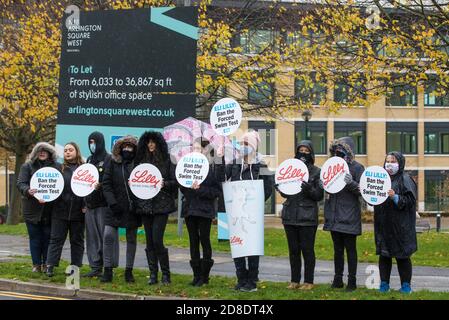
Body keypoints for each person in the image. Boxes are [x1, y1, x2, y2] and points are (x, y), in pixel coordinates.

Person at [225, 130, 274, 292]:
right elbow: (222, 179)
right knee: (237, 244)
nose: (243, 147)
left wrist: (256, 202)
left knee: (252, 246)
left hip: (253, 212)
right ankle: (241, 278)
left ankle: (252, 280)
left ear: (253, 147)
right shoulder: (234, 163)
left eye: (247, 144)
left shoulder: (263, 165)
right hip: (236, 212)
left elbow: (268, 188)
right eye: (242, 144)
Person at [278, 140, 323, 290]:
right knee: (293, 251)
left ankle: (309, 281)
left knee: (307, 250)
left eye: (306, 150)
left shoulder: (316, 171)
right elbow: (287, 194)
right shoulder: (291, 169)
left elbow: (319, 195)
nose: (303, 153)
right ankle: (294, 280)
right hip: (290, 215)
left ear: (311, 153)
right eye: (301, 150)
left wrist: (309, 189)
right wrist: (280, 188)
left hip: (307, 217)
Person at [134, 131, 177, 285]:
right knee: (149, 241)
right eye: (148, 142)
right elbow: (135, 182)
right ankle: (153, 274)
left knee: (157, 240)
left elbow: (175, 182)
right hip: (145, 206)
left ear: (159, 143)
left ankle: (166, 274)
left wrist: (165, 183)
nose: (151, 145)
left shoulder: (167, 160)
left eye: (153, 142)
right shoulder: (141, 161)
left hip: (161, 205)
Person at [323, 136, 364, 291]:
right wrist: (323, 184)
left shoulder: (357, 168)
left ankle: (352, 281)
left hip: (349, 216)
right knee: (337, 250)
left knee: (350, 250)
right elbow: (329, 189)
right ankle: (337, 279)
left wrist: (351, 183)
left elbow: (362, 190)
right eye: (335, 150)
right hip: (334, 215)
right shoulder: (330, 166)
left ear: (349, 151)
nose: (337, 153)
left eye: (341, 150)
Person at [180, 138, 221, 287]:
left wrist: (201, 189)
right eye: (194, 148)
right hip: (190, 209)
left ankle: (205, 276)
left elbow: (217, 191)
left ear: (206, 149)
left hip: (204, 210)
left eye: (199, 148)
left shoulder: (212, 169)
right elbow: (182, 186)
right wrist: (187, 186)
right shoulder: (188, 165)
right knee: (193, 241)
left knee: (204, 240)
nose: (196, 150)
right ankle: (196, 275)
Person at [374, 152, 417, 294]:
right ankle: (384, 285)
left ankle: (406, 286)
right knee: (384, 256)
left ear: (400, 163)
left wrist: (396, 197)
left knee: (402, 257)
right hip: (384, 225)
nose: (389, 163)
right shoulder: (380, 179)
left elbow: (410, 201)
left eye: (393, 161)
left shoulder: (406, 179)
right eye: (387, 160)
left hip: (401, 227)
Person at [102, 136, 141, 283]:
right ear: (119, 148)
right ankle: (107, 270)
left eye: (130, 147)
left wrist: (138, 203)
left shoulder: (138, 164)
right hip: (114, 207)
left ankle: (128, 271)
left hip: (132, 208)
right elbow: (106, 184)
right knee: (108, 236)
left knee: (131, 239)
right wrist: (112, 203)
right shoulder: (112, 162)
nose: (127, 150)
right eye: (124, 147)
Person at [17, 142, 61, 273]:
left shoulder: (57, 167)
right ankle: (36, 264)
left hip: (50, 209)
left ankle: (48, 263)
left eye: (45, 151)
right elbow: (21, 183)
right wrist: (28, 190)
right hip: (32, 209)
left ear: (50, 153)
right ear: (35, 153)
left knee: (48, 237)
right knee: (35, 238)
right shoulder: (27, 166)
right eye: (39, 150)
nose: (42, 152)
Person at [46, 142, 85, 277]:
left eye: (71, 150)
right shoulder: (58, 168)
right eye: (66, 150)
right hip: (60, 210)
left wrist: (85, 205)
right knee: (56, 239)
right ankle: (50, 265)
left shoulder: (84, 169)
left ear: (77, 152)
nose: (68, 152)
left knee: (77, 241)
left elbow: (87, 190)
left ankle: (75, 267)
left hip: (78, 212)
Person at [83, 132, 112, 278]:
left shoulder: (108, 159)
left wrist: (100, 185)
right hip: (90, 205)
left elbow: (109, 181)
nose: (92, 145)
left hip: (103, 205)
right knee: (92, 238)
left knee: (104, 238)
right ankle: (95, 266)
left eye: (94, 142)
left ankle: (107, 267)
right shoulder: (88, 160)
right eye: (90, 142)